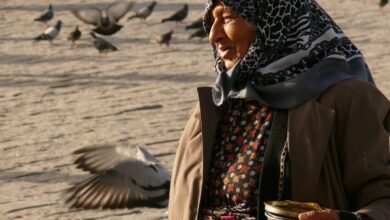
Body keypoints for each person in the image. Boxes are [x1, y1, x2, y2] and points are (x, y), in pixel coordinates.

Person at [168, 0, 390, 219]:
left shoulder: (348, 100)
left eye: (227, 18)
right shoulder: (216, 106)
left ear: (273, 22)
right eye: (211, 21)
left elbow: (382, 196)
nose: (213, 35)